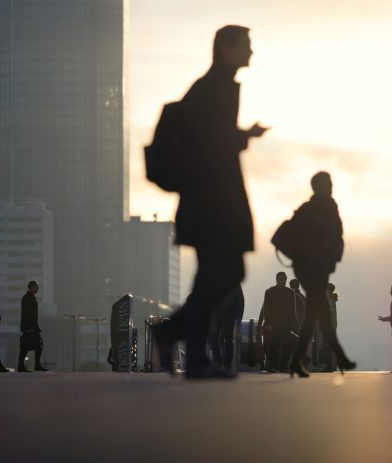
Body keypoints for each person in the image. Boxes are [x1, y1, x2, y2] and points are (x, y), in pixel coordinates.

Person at [152, 25, 268, 379]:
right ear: (227, 48)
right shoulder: (214, 88)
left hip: (209, 202)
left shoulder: (215, 87)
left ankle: (182, 343)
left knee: (213, 276)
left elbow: (211, 138)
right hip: (212, 204)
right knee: (227, 272)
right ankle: (180, 340)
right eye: (246, 45)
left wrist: (241, 135)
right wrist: (241, 137)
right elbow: (209, 145)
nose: (251, 51)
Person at [288, 172, 356, 378]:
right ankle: (340, 356)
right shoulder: (315, 209)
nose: (332, 186)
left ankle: (296, 361)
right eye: (329, 183)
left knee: (312, 313)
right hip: (311, 268)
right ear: (319, 187)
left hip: (318, 267)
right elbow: (331, 235)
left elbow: (336, 235)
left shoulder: (324, 206)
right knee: (323, 310)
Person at [258, 272, 297, 372]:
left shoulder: (290, 292)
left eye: (284, 279)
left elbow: (293, 310)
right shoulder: (269, 292)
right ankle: (271, 366)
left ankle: (283, 366)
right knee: (275, 345)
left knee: (287, 345)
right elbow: (266, 309)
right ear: (276, 280)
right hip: (274, 324)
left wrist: (294, 324)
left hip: (286, 324)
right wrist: (268, 323)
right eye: (280, 279)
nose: (282, 281)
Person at [211, 285, 245, 371]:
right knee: (213, 338)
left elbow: (240, 300)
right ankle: (218, 361)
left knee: (229, 340)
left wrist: (238, 317)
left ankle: (227, 363)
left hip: (229, 315)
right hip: (215, 315)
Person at [17, 280, 48, 372]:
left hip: (32, 327)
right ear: (32, 287)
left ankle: (31, 365)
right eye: (36, 286)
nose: (38, 288)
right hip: (29, 327)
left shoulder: (31, 297)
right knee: (28, 347)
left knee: (34, 346)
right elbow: (26, 314)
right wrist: (28, 328)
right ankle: (24, 366)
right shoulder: (27, 298)